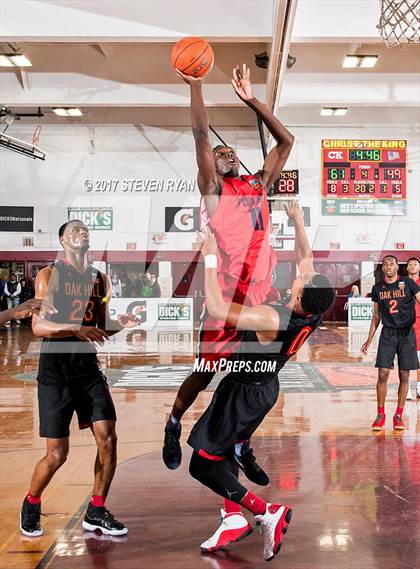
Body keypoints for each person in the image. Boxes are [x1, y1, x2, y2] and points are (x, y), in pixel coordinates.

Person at [163, 63, 294, 481]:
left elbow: (286, 140)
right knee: (204, 374)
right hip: (227, 302)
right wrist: (197, 87)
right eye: (220, 154)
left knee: (258, 382)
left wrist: (252, 100)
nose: (226, 152)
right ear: (211, 170)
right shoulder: (215, 194)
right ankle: (173, 421)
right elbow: (202, 136)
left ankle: (241, 444)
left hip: (260, 300)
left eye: (230, 150)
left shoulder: (258, 184)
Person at [188, 202, 335, 561]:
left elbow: (219, 308)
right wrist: (298, 220)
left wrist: (208, 257)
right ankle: (232, 516)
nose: (297, 276)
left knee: (202, 463)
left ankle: (265, 512)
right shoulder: (313, 310)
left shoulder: (273, 318)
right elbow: (306, 259)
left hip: (243, 391)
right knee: (222, 449)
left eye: (298, 282)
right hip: (265, 388)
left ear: (299, 296)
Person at [20, 219, 137, 539]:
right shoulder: (49, 277)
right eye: (75, 230)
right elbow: (39, 328)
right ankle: (31, 502)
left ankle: (96, 510)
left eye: (86, 230)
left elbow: (99, 326)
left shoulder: (101, 280)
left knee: (108, 437)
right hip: (56, 374)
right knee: (58, 454)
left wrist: (120, 323)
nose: (82, 233)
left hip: (88, 371)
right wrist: (75, 329)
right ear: (62, 241)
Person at [361, 255, 420, 431]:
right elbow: (376, 316)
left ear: (396, 267)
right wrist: (369, 339)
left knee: (404, 375)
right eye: (385, 264)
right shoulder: (378, 288)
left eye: (391, 263)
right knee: (383, 374)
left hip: (407, 334)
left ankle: (398, 415)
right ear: (382, 268)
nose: (388, 266)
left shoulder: (408, 283)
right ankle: (380, 414)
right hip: (388, 334)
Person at [406, 256, 420, 399]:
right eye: (410, 264)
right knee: (406, 358)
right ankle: (407, 390)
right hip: (406, 324)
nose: (412, 266)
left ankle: (419, 388)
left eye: (415, 264)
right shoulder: (401, 284)